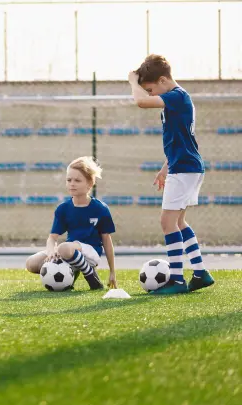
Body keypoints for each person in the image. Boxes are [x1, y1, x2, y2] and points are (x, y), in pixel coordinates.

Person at [129, 54, 214, 294]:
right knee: (178, 222)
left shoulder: (177, 96)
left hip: (186, 168)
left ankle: (176, 280)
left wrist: (132, 82)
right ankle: (200, 273)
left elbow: (140, 103)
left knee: (167, 223)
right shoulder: (176, 99)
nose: (150, 94)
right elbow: (181, 139)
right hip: (185, 166)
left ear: (164, 80)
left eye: (151, 89)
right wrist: (166, 167)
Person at [26, 156, 116, 290]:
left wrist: (112, 272)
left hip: (91, 253)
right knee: (31, 263)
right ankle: (69, 275)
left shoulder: (101, 209)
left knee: (64, 248)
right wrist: (51, 252)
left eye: (77, 180)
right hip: (69, 252)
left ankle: (90, 274)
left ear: (90, 184)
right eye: (69, 180)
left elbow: (107, 241)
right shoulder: (63, 209)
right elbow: (52, 238)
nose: (72, 184)